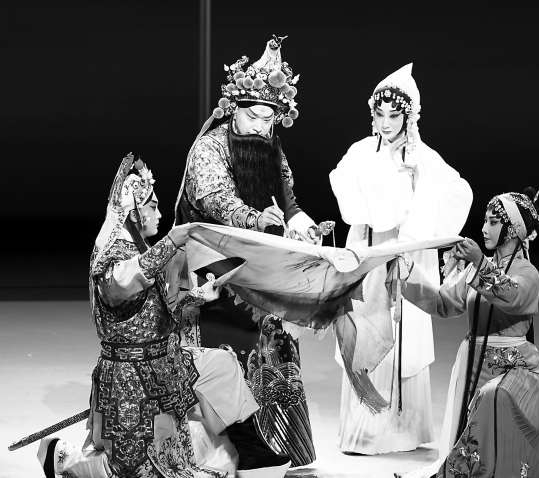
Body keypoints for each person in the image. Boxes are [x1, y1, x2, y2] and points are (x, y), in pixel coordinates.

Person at [37, 154, 290, 478]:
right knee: (133, 469)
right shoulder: (112, 255)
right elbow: (120, 285)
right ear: (133, 211)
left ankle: (252, 450)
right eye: (152, 206)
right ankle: (64, 459)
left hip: (164, 362)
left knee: (221, 365)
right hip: (129, 375)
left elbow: (153, 313)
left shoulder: (137, 249)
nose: (158, 214)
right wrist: (171, 242)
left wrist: (198, 296)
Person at [175, 36, 317, 466]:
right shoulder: (209, 148)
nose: (259, 127)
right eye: (252, 116)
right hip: (210, 267)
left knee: (273, 346)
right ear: (233, 109)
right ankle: (231, 445)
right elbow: (217, 200)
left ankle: (274, 443)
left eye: (268, 120)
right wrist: (257, 221)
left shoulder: (271, 149)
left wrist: (303, 225)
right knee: (226, 351)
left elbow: (288, 201)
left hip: (257, 267)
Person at [329, 63, 473, 454]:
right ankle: (363, 431)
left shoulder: (422, 157)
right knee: (363, 327)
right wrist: (377, 201)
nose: (386, 122)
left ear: (409, 116)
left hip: (403, 256)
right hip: (367, 254)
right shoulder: (361, 151)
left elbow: (457, 192)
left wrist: (415, 204)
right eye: (380, 114)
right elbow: (345, 190)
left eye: (395, 115)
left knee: (403, 335)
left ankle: (402, 430)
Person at [399, 188, 539, 478]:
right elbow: (443, 303)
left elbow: (510, 295)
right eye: (485, 221)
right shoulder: (481, 268)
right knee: (471, 429)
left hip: (513, 368)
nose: (484, 228)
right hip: (472, 363)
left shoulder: (528, 273)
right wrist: (407, 273)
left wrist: (479, 263)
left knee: (493, 398)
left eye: (493, 222)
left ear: (513, 230)